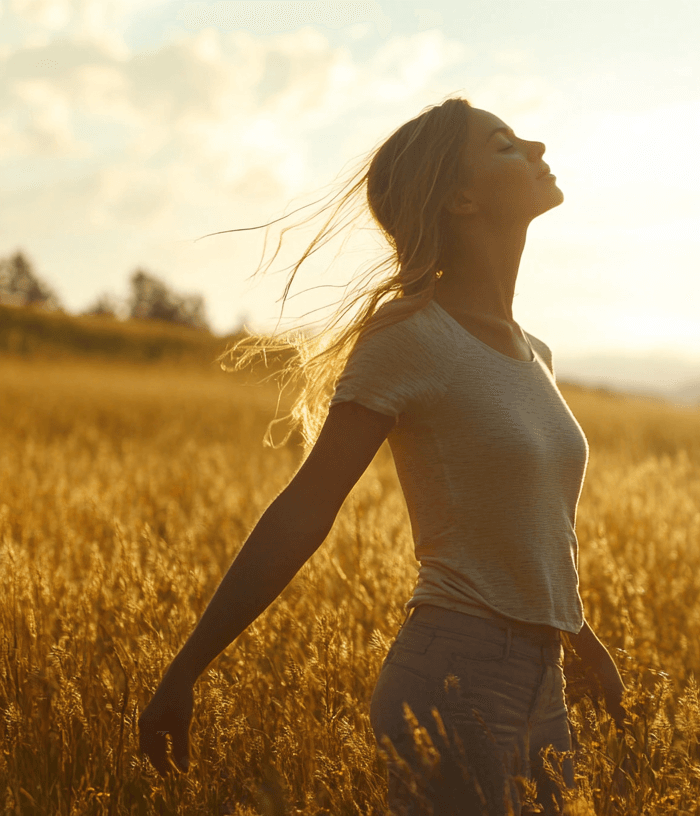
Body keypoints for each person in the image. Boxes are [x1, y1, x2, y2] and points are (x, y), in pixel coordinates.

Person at [137, 97, 627, 815]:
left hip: (541, 679)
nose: (535, 143)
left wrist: (579, 639)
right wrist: (184, 672)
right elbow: (306, 508)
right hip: (453, 674)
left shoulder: (535, 355)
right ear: (461, 199)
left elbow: (519, 530)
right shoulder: (411, 336)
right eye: (503, 144)